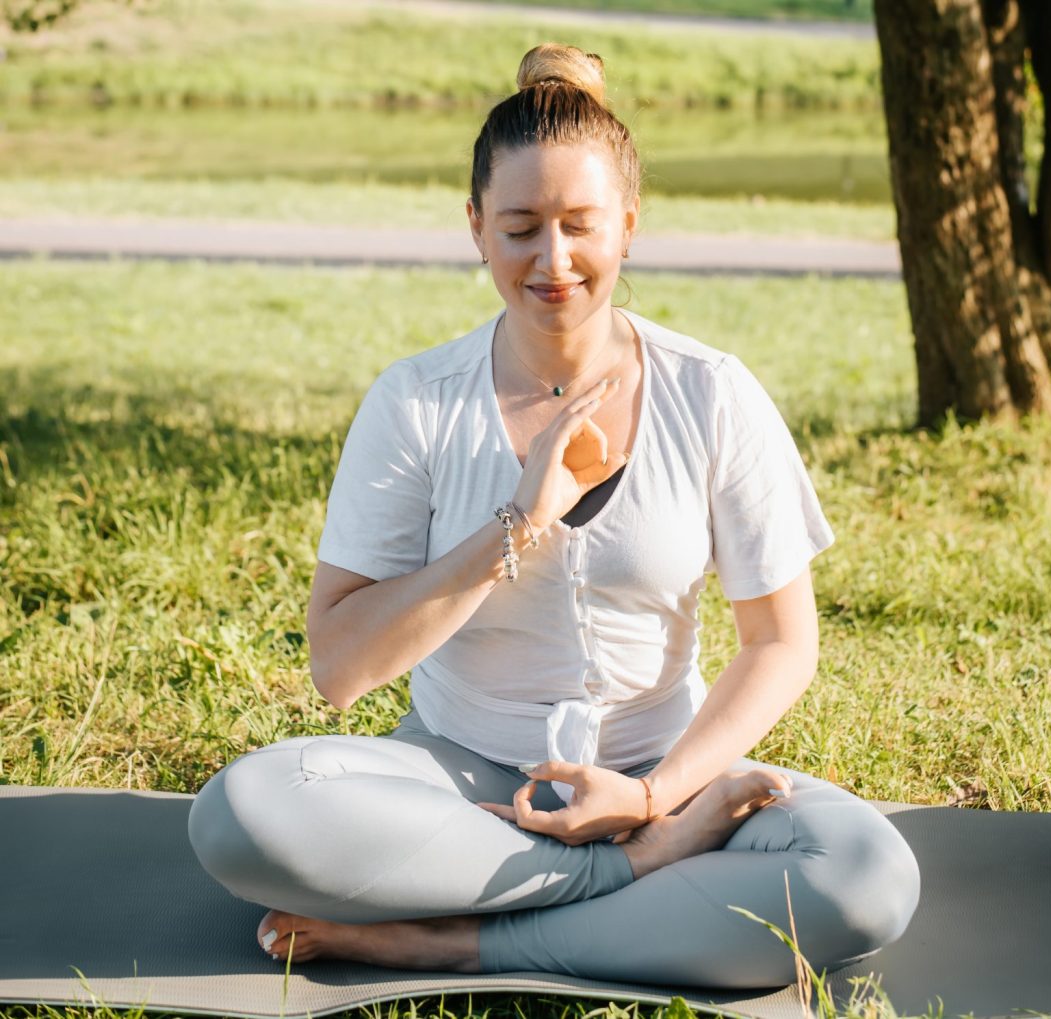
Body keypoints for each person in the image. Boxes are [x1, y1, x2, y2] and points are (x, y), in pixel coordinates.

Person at [188, 43, 920, 989]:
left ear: (628, 223)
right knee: (242, 814)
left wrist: (654, 795)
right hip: (459, 784)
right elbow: (340, 668)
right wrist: (518, 522)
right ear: (476, 228)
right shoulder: (415, 401)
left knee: (867, 876)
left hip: (666, 775)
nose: (554, 260)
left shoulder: (714, 393)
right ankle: (631, 877)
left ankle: (461, 939)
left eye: (580, 225)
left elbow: (781, 644)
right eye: (522, 227)